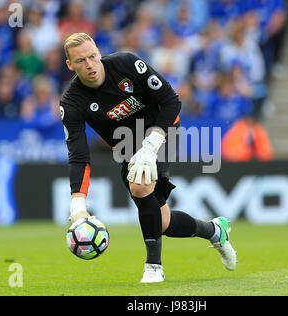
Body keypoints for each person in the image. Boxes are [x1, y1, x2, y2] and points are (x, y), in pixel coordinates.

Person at [60, 32, 237, 283]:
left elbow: (171, 101)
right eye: (80, 61)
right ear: (70, 65)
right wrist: (78, 204)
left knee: (140, 185)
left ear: (99, 52)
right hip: (127, 147)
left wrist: (151, 145)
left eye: (92, 57)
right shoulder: (72, 102)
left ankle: (153, 267)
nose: (89, 65)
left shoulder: (127, 64)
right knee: (162, 221)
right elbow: (78, 155)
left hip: (163, 129)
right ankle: (214, 230)